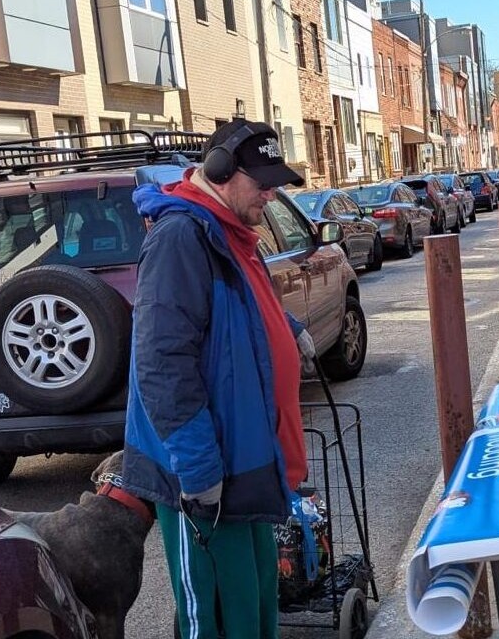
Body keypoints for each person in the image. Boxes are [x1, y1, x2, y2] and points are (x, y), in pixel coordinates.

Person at [122, 119, 313, 639]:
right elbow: (162, 361)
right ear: (221, 171)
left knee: (254, 604)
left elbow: (241, 305)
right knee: (215, 616)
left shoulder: (227, 230)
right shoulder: (182, 236)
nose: (271, 194)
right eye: (263, 182)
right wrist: (199, 469)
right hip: (208, 475)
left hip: (247, 464)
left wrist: (288, 329)